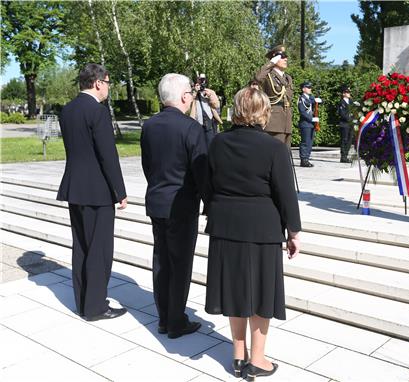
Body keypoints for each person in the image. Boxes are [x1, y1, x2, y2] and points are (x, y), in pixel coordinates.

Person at [204, 87, 301, 380]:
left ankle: (237, 354)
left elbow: (209, 184)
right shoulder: (274, 148)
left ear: (236, 110)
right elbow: (286, 195)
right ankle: (257, 359)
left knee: (235, 290)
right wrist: (293, 232)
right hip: (262, 227)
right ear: (263, 111)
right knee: (260, 294)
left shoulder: (218, 143)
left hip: (225, 226)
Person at [56, 63, 128, 321]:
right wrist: (119, 191)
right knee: (99, 250)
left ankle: (83, 301)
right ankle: (96, 307)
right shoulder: (97, 111)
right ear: (98, 82)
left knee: (82, 247)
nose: (109, 88)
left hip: (75, 187)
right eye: (108, 82)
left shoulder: (68, 110)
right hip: (97, 191)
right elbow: (107, 155)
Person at [141, 73, 208, 338]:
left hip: (157, 200)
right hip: (182, 205)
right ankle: (176, 320)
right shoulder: (191, 128)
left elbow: (148, 165)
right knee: (180, 264)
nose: (192, 98)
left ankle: (163, 317)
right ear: (184, 97)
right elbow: (201, 170)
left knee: (162, 261)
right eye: (191, 94)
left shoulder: (149, 125)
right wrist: (208, 201)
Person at [254, 45, 294, 147]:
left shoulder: (288, 78)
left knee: (285, 154)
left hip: (286, 120)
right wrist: (271, 62)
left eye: (286, 56)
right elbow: (258, 78)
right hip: (274, 122)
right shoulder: (268, 76)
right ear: (275, 57)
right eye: (282, 56)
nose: (286, 59)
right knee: (275, 153)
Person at [190, 73, 222, 145]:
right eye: (200, 80)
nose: (202, 82)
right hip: (197, 123)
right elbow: (188, 103)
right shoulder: (192, 92)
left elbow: (216, 105)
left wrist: (209, 96)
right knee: (198, 145)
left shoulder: (210, 92)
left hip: (209, 123)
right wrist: (195, 92)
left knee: (210, 144)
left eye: (203, 80)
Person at [297, 81, 320, 167]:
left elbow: (315, 104)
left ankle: (307, 158)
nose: (310, 89)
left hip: (311, 124)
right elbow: (302, 111)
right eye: (308, 87)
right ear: (303, 89)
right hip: (305, 123)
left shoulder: (310, 98)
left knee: (310, 142)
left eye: (310, 87)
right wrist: (312, 119)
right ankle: (303, 160)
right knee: (305, 142)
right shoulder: (301, 98)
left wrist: (318, 100)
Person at [338, 85, 354, 163]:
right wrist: (350, 119)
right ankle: (343, 157)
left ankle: (346, 155)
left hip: (350, 124)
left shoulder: (351, 101)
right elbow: (342, 114)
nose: (349, 93)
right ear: (343, 93)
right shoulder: (342, 102)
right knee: (344, 140)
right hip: (344, 124)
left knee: (349, 140)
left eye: (349, 92)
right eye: (347, 92)